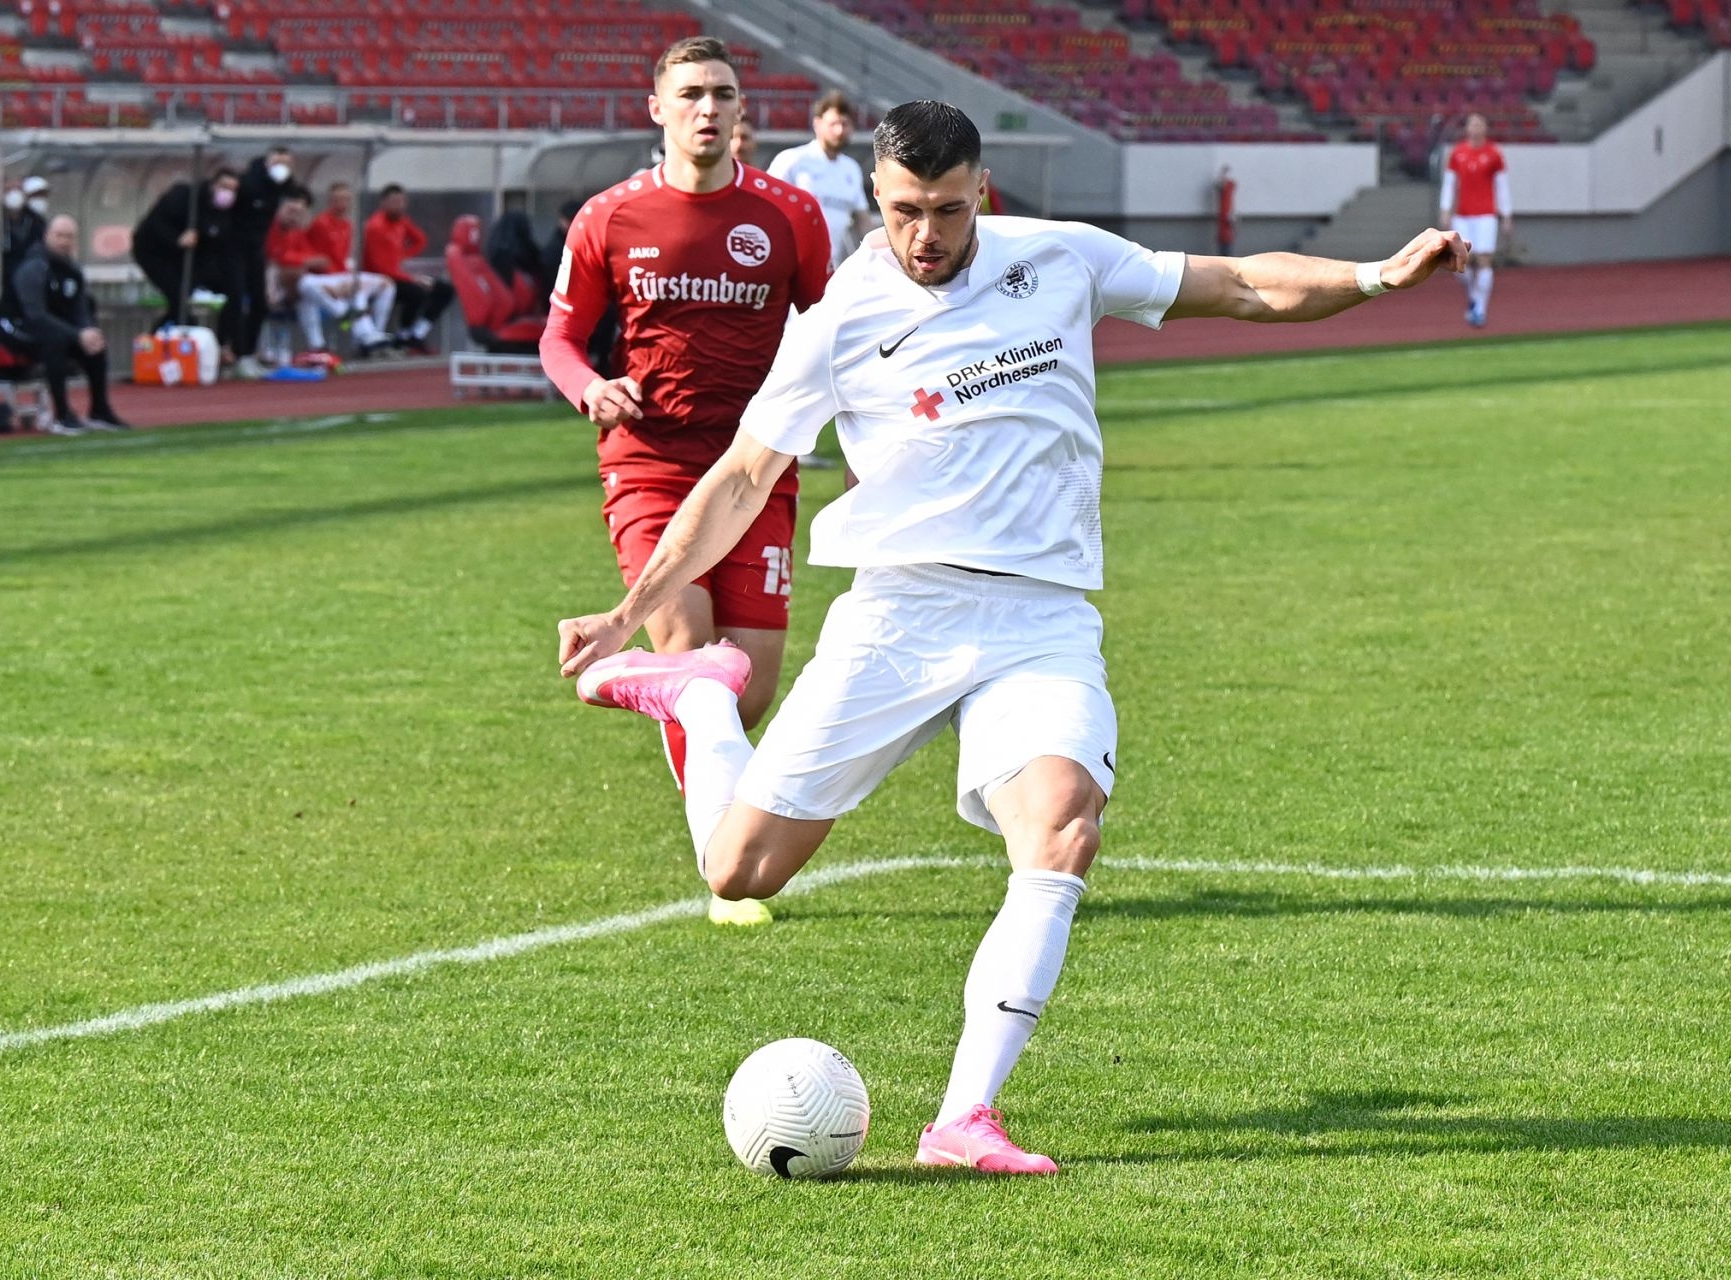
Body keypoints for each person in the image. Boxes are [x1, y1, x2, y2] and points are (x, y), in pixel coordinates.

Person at [557, 100, 1466, 1172]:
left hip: (1041, 616)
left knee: (1064, 824)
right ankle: (703, 699)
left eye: (948, 210)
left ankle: (962, 1118)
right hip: (901, 615)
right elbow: (742, 478)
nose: (926, 235)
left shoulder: (1060, 257)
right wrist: (629, 613)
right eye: (905, 211)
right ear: (876, 197)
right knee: (740, 871)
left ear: (981, 190)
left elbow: (1235, 284)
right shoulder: (840, 318)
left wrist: (1375, 276)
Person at [539, 35, 834, 928]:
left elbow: (831, 333)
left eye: (724, 94)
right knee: (693, 660)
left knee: (747, 690)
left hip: (758, 463)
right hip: (651, 464)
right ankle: (723, 869)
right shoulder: (608, 217)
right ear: (658, 109)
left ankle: (654, 698)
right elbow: (560, 339)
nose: (709, 109)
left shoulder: (790, 215)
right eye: (693, 93)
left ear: (743, 110)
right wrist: (589, 387)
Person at [0, 213, 128, 436]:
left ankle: (99, 411)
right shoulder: (34, 267)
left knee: (94, 344)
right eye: (59, 235)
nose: (64, 241)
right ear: (47, 236)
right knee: (55, 343)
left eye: (69, 236)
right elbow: (35, 315)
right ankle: (62, 415)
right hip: (12, 327)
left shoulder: (72, 270)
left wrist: (87, 332)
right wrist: (76, 335)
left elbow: (80, 308)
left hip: (47, 328)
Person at [264, 189, 395, 357]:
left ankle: (369, 334)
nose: (295, 217)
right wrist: (308, 264)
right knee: (306, 286)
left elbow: (315, 258)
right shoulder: (274, 229)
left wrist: (319, 270)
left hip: (313, 279)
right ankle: (353, 324)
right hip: (280, 286)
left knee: (383, 284)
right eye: (291, 211)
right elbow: (279, 258)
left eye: (300, 212)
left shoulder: (300, 231)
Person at [132, 166, 242, 355]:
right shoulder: (184, 197)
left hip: (187, 259)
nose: (227, 193)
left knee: (233, 289)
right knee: (179, 300)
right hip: (155, 254)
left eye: (233, 189)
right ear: (213, 184)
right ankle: (153, 348)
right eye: (224, 186)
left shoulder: (224, 214)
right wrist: (177, 238)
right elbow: (155, 223)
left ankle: (225, 345)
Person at [767, 89, 874, 268]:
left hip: (831, 268)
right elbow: (767, 206)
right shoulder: (792, 159)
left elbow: (862, 220)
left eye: (845, 124)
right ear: (817, 124)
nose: (839, 130)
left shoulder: (851, 169)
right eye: (833, 124)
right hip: (790, 264)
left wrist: (877, 256)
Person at [231, 145, 299, 377]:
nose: (282, 168)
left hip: (256, 250)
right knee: (236, 298)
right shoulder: (248, 184)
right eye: (278, 163)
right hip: (234, 248)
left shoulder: (283, 188)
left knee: (260, 302)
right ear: (267, 163)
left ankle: (248, 353)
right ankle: (237, 353)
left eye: (286, 164)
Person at [363, 183, 454, 350]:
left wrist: (402, 254)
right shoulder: (376, 226)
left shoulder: (401, 221)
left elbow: (420, 239)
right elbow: (380, 267)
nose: (399, 206)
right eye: (394, 201)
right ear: (383, 203)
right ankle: (403, 334)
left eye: (402, 201)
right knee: (416, 292)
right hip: (382, 279)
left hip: (397, 275)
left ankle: (418, 333)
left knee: (445, 290)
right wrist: (412, 279)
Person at [1439, 113, 1511, 328]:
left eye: (1480, 124)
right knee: (1462, 262)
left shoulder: (1494, 154)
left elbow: (1502, 186)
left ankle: (1480, 308)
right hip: (1462, 215)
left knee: (1484, 259)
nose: (1476, 128)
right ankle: (1473, 296)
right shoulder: (1457, 153)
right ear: (1467, 128)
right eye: (1473, 124)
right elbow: (1449, 183)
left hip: (1486, 215)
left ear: (1485, 128)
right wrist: (1445, 209)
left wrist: (1506, 214)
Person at [0, 176, 49, 287]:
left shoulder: (37, 222)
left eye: (18, 189)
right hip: (1, 283)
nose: (14, 194)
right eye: (9, 190)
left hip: (30, 283)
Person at [1215, 164, 1237, 256]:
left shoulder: (1230, 185)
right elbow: (1219, 185)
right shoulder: (1225, 186)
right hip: (1224, 216)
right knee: (1224, 244)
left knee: (1227, 244)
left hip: (1227, 214)